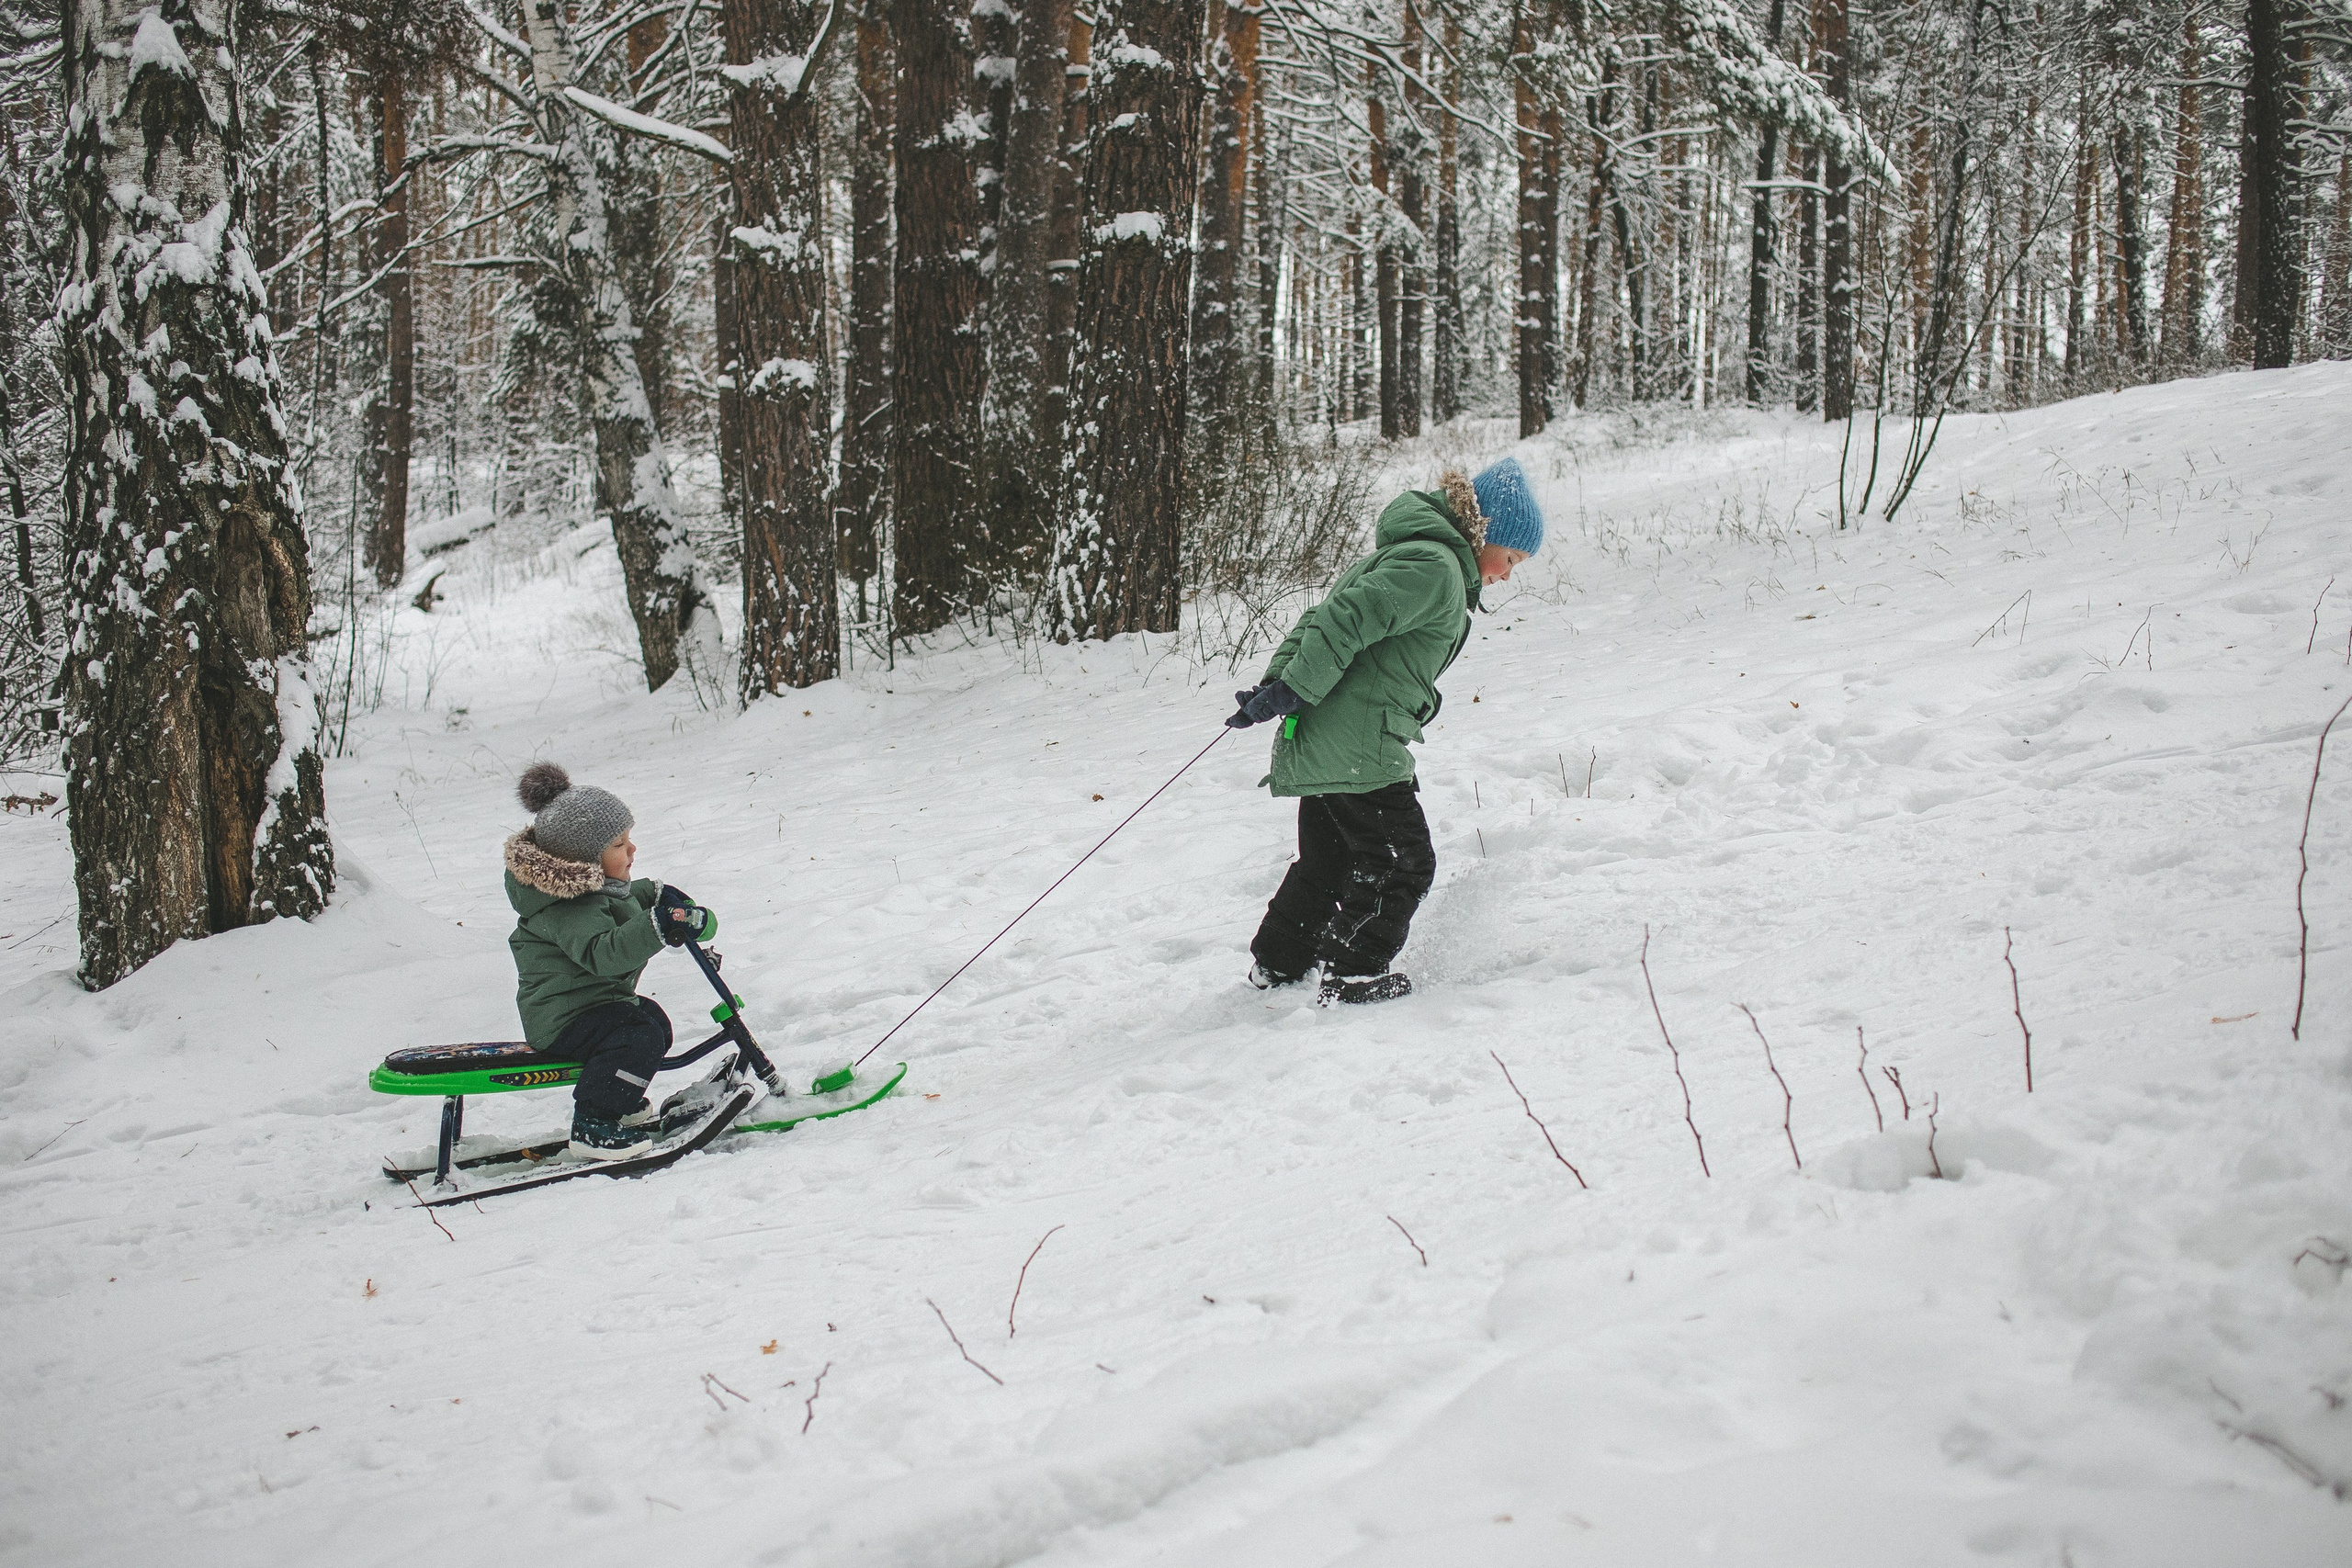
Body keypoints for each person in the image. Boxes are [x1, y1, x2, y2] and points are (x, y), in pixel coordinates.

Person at [1227, 456, 1544, 1005]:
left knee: (1330, 859)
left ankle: (1278, 965)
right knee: (1403, 861)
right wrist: (1292, 684)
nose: (1508, 573)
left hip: (1333, 734)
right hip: (1358, 741)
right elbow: (1342, 619)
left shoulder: (1412, 554)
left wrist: (1282, 682)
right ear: (1486, 535)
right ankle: (1353, 973)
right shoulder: (1436, 568)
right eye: (1512, 557)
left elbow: (1324, 615)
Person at [503, 762, 711, 1157]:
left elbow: (624, 896)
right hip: (563, 1018)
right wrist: (655, 926)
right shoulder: (567, 907)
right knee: (637, 1035)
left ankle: (619, 1098)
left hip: (590, 1006)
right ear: (585, 860)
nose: (632, 850)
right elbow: (605, 954)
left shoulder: (592, 889)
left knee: (653, 1023)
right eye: (618, 845)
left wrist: (658, 894)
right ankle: (593, 1123)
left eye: (629, 839)